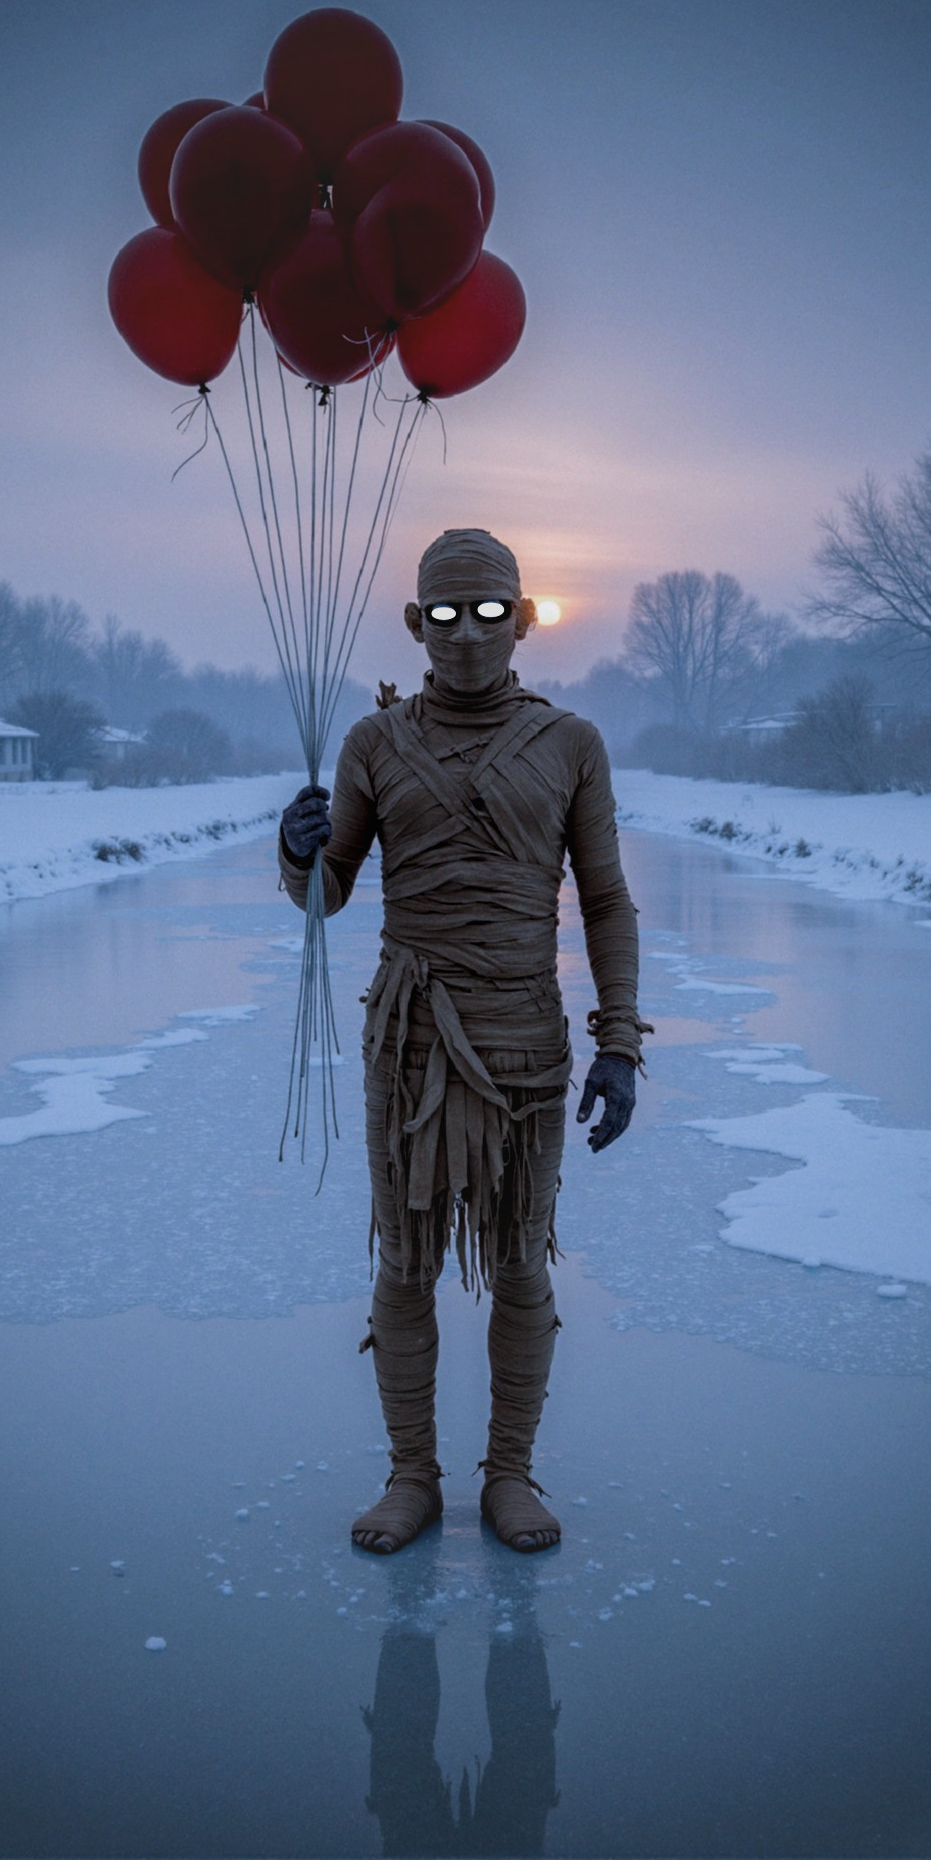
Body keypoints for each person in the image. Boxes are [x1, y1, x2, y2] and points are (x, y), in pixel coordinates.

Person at [279, 527, 648, 1556]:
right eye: (446, 615)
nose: (469, 634)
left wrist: (620, 1041)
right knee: (405, 1264)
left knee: (522, 1260)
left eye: (491, 613)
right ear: (414, 623)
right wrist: (298, 851)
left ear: (523, 619)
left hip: (525, 1042)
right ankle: (413, 1475)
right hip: (408, 1048)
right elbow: (327, 895)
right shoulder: (373, 744)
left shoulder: (571, 744)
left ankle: (510, 1474)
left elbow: (606, 900)